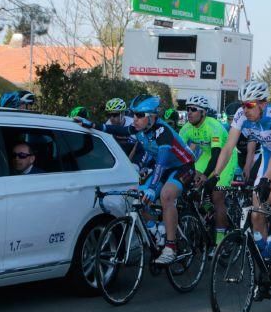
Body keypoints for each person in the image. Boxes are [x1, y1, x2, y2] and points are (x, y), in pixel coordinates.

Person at [80, 94, 196, 265]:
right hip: (164, 168)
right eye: (133, 114)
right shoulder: (141, 128)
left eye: (139, 115)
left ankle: (171, 247)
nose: (134, 119)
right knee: (135, 197)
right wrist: (94, 126)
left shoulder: (162, 133)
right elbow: (119, 130)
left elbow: (161, 165)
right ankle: (156, 229)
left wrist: (151, 187)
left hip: (183, 166)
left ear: (152, 117)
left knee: (166, 195)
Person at [208, 80, 271, 267]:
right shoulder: (240, 115)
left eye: (250, 105)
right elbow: (229, 147)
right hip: (269, 157)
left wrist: (266, 180)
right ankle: (264, 256)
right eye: (242, 104)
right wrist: (215, 175)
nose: (245, 109)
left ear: (263, 103)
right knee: (256, 213)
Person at [179, 94, 238, 245]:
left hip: (225, 157)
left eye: (193, 109)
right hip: (207, 155)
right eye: (187, 109)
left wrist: (205, 175)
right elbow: (178, 153)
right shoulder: (186, 128)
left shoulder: (214, 126)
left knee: (217, 196)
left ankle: (220, 239)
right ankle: (207, 208)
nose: (189, 113)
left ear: (203, 112)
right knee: (190, 184)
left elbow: (217, 155)